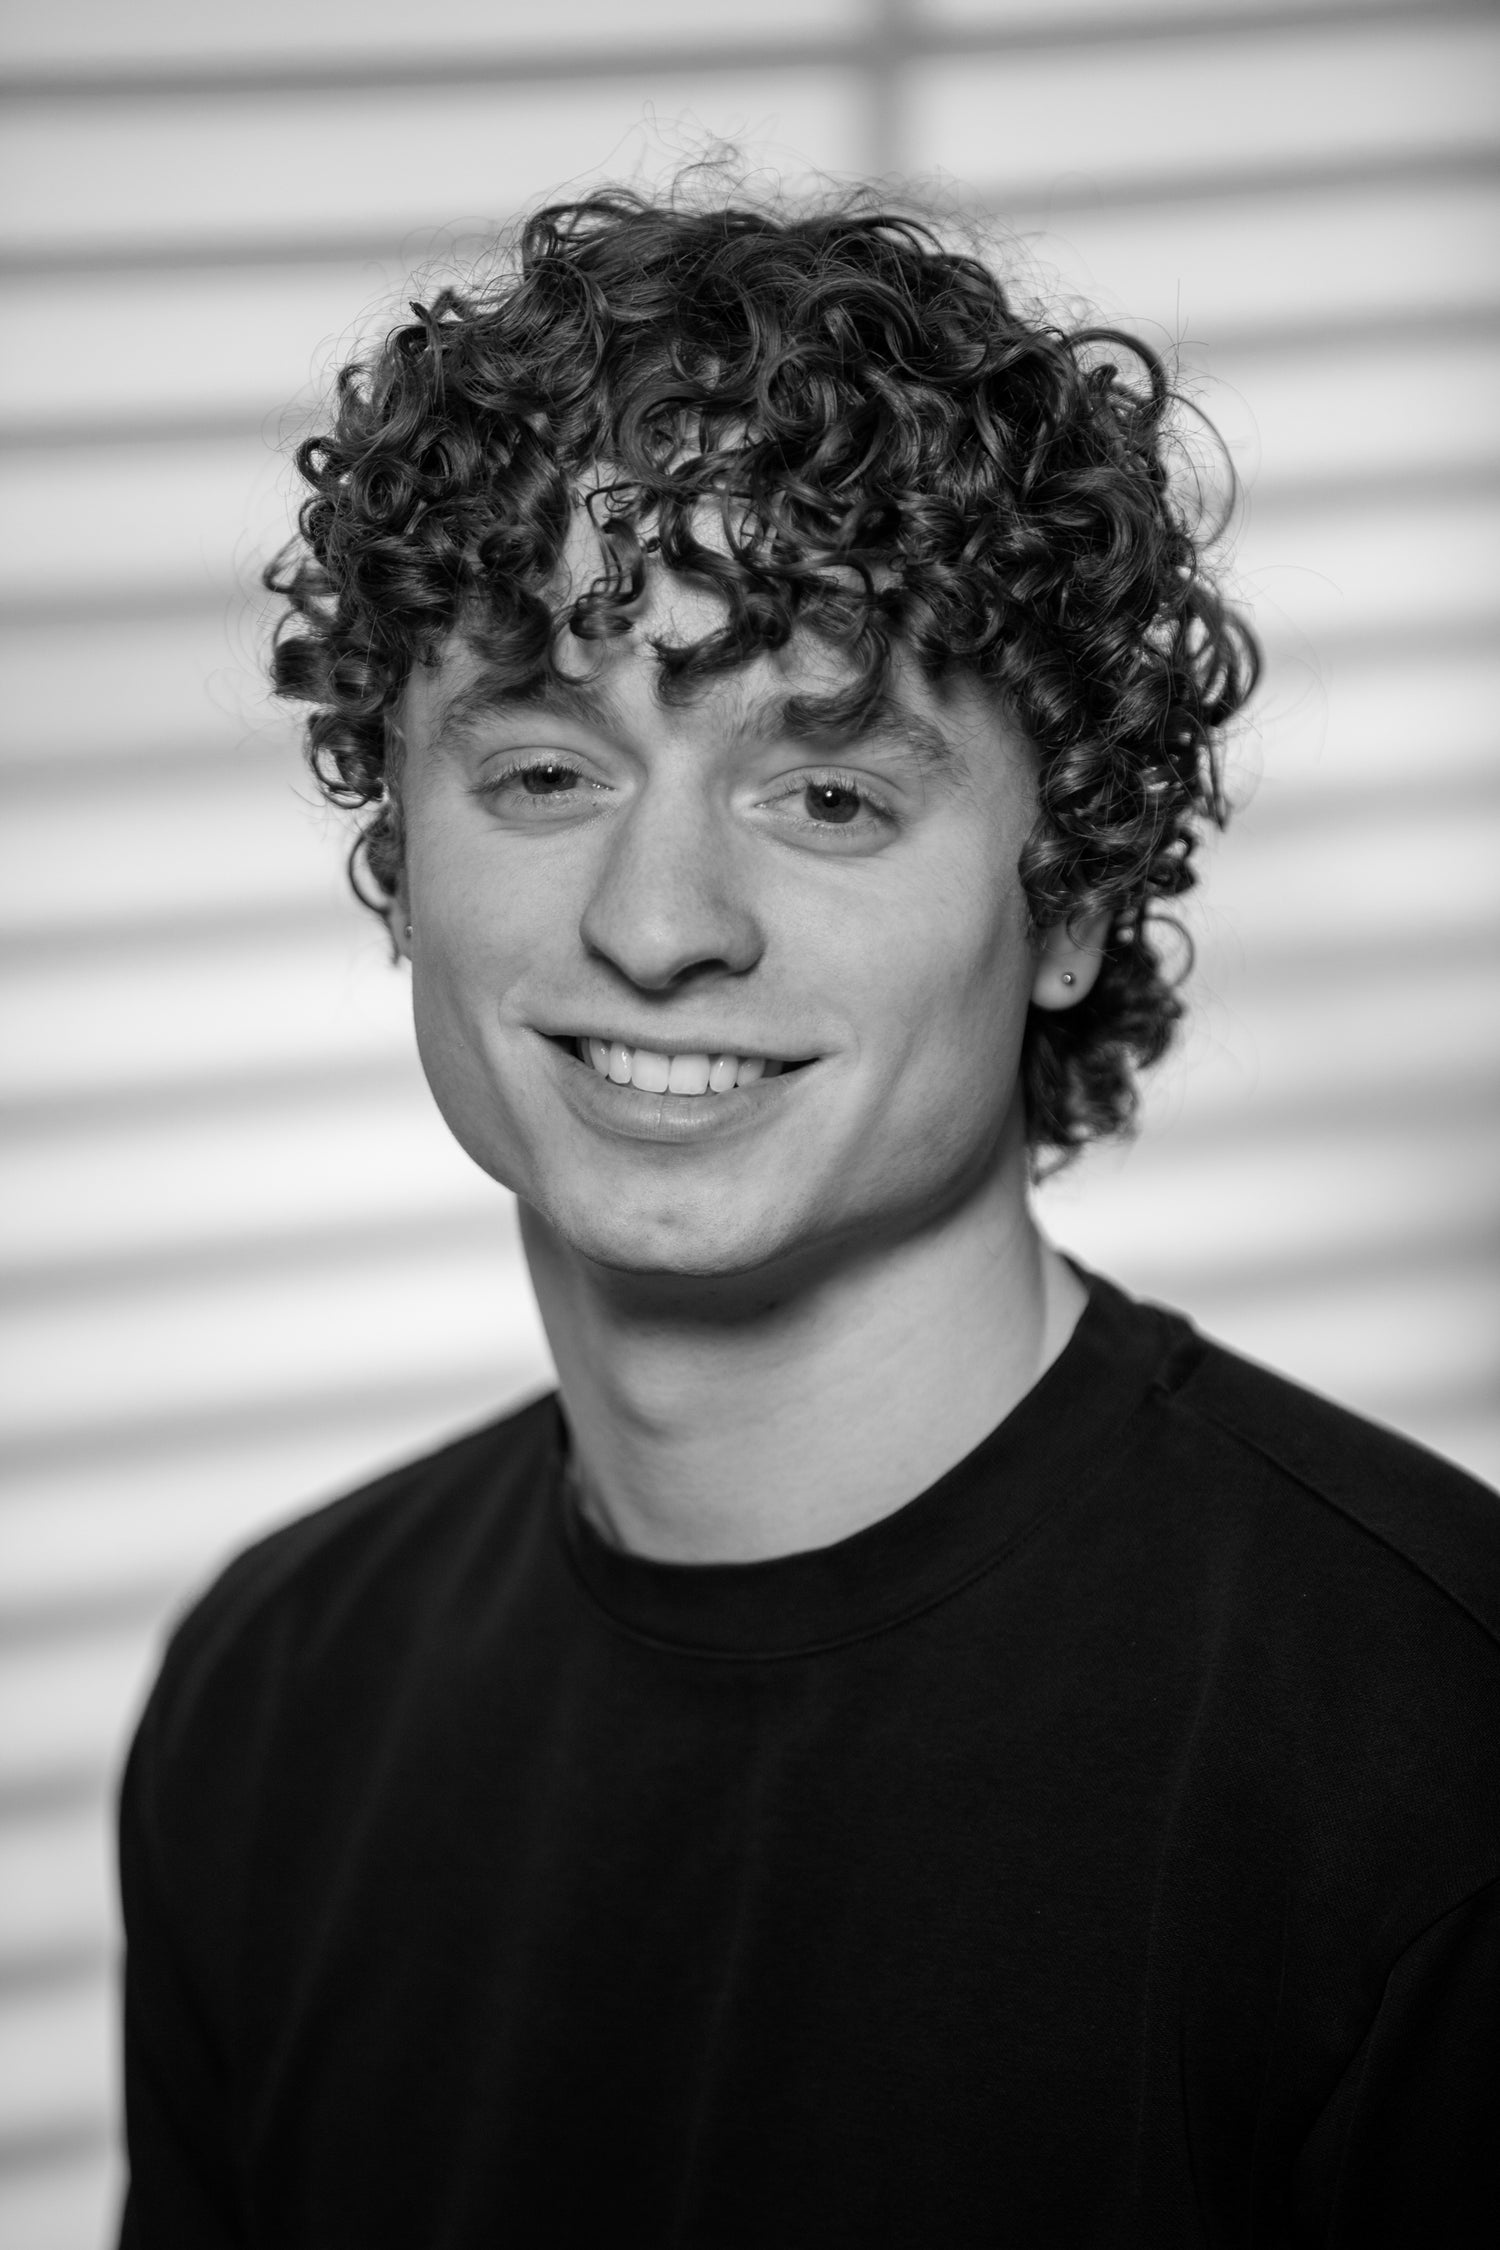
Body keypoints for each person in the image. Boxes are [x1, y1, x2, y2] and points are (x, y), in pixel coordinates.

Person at [117, 182, 1499, 2248]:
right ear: (399, 847)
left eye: (829, 793)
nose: (657, 922)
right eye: (545, 773)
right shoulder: (274, 1694)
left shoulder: (1430, 1760)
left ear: (1068, 902)